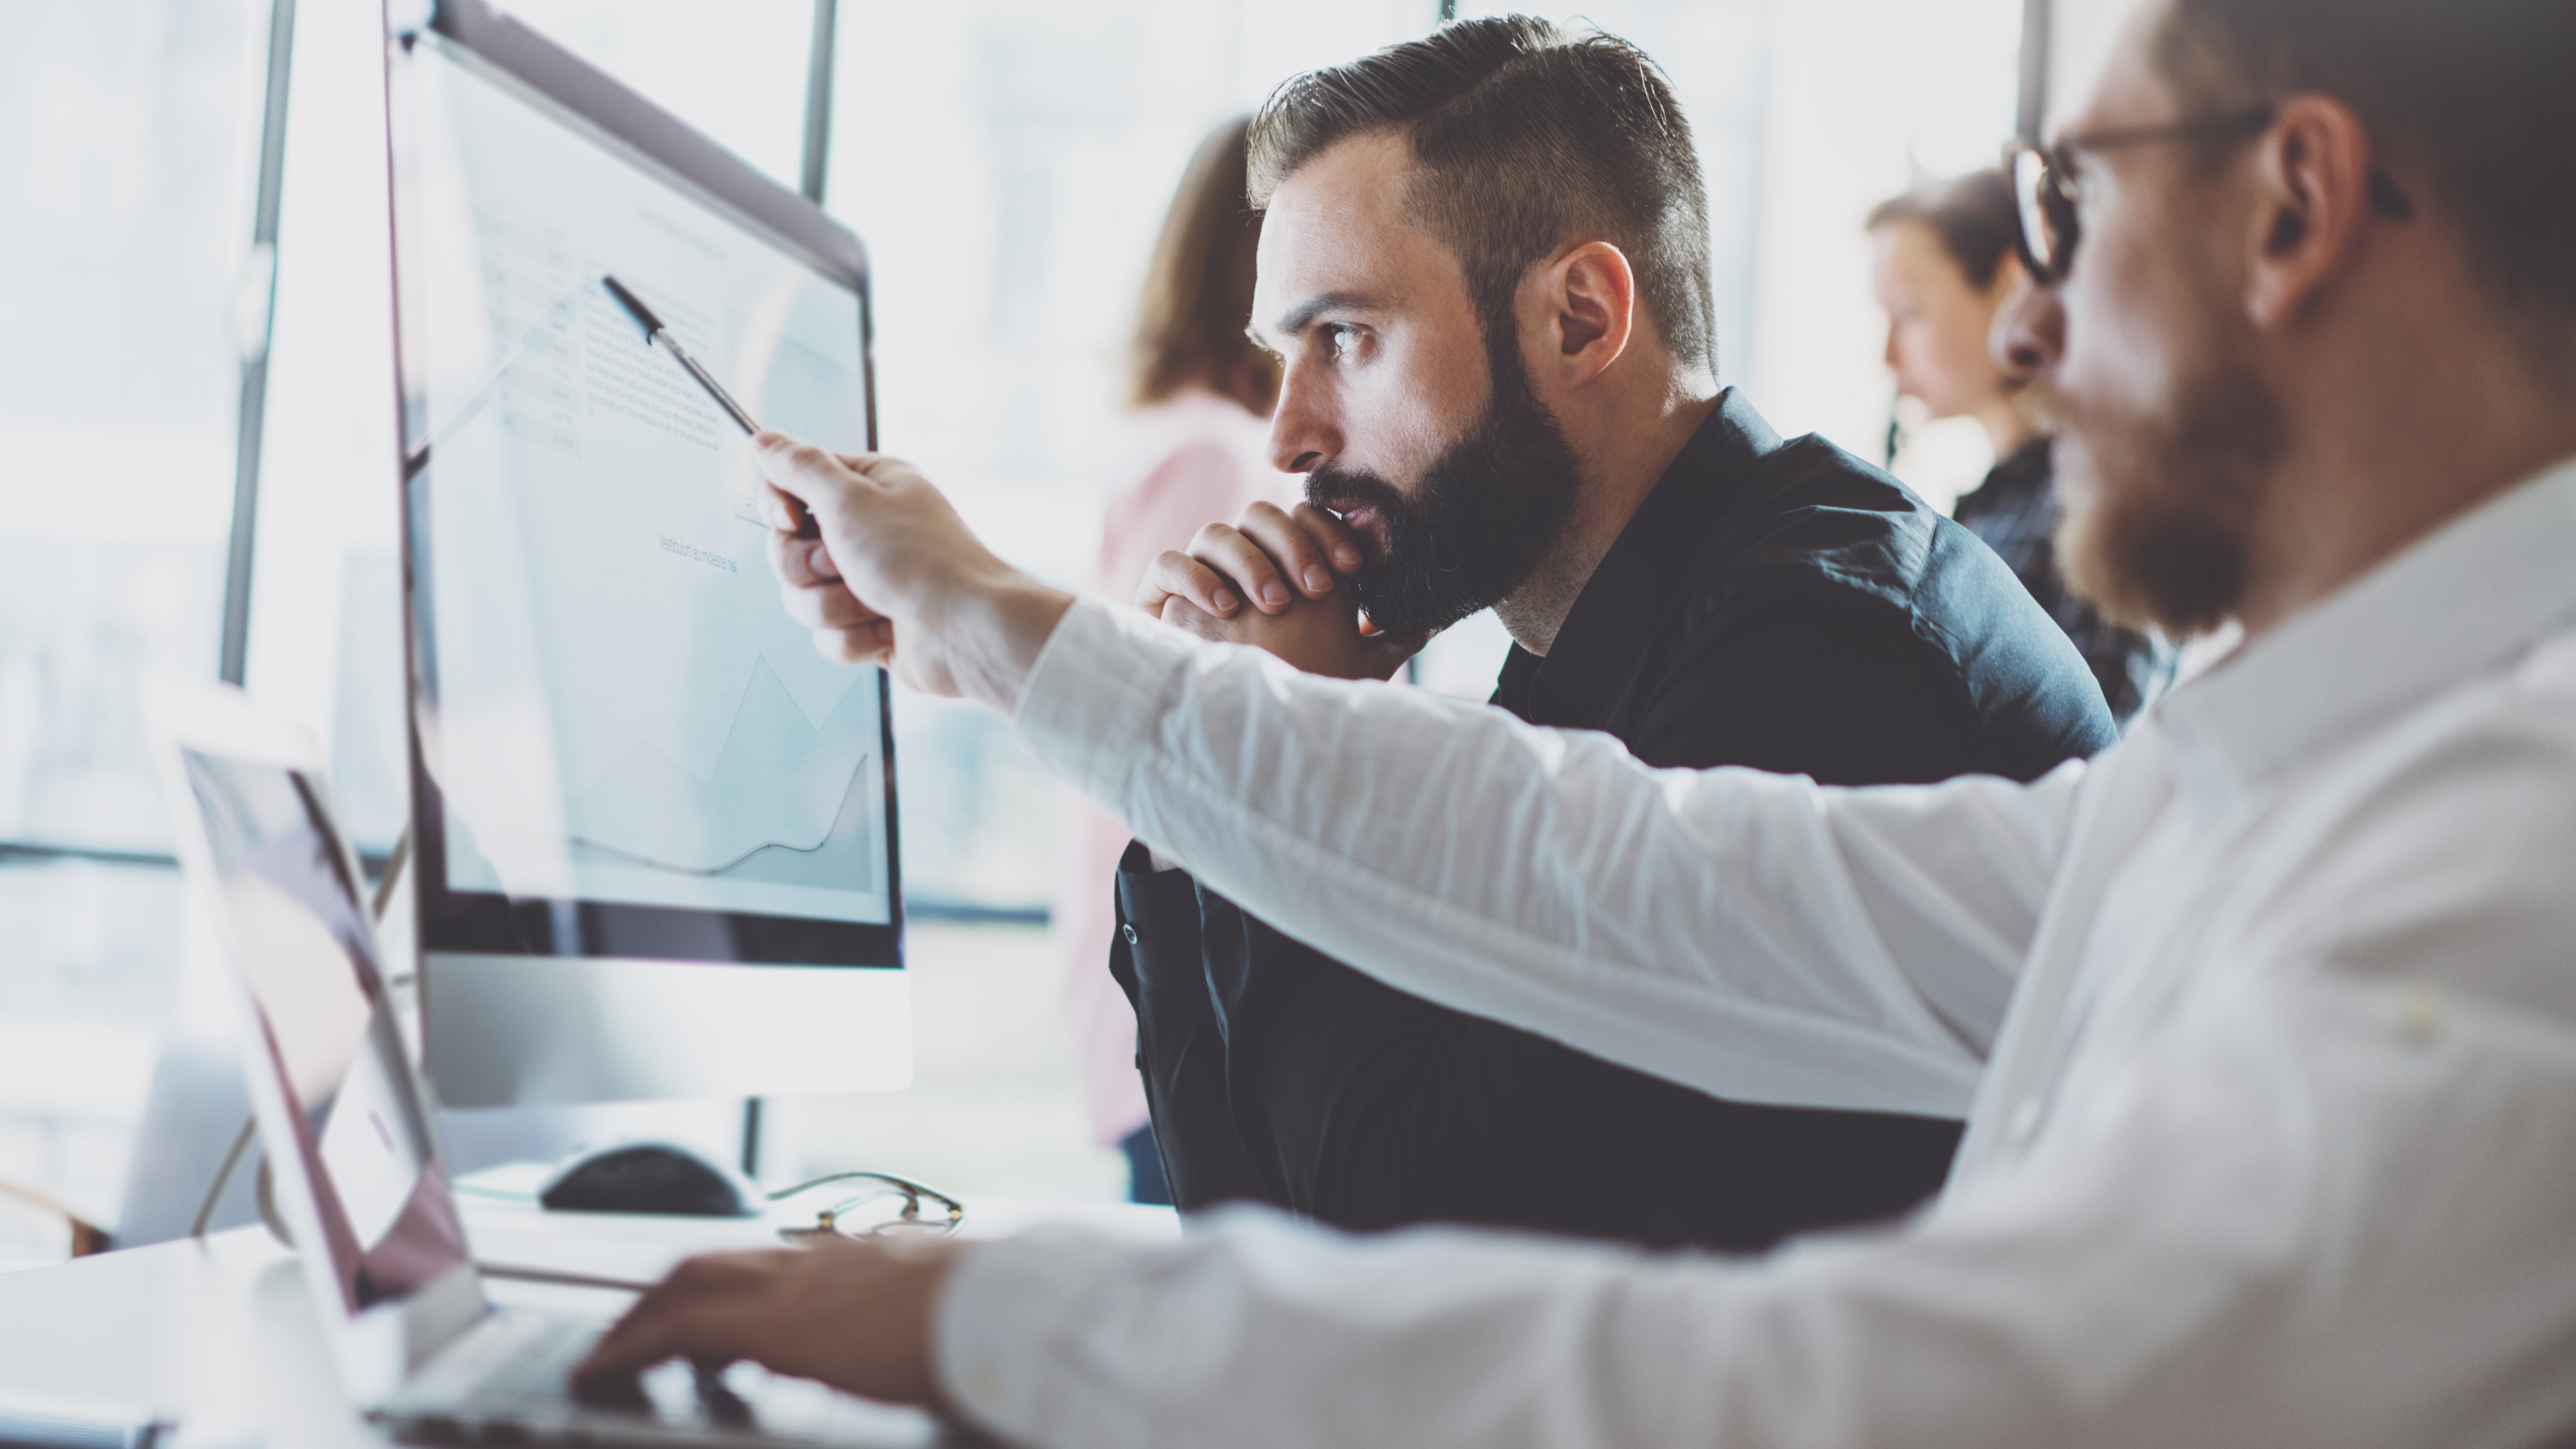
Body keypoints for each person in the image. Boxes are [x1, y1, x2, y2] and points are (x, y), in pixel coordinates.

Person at [582, 0, 2576, 1441]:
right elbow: (1624, 878)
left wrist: (1011, 1322)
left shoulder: (2497, 875)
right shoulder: (2254, 780)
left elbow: (1852, 1390)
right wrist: (1026, 642)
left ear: (2292, 204)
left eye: (2068, 207)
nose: (2023, 331)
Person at [1100, 29, 2112, 1252]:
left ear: (1580, 319)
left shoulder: (1821, 654)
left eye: (1347, 338)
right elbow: (1248, 1234)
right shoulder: (1590, 644)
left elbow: (1427, 1264)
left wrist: (1309, 751)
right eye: (1284, 356)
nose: (1291, 436)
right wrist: (1199, 791)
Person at [1052, 116, 1288, 1205]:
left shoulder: (1186, 439)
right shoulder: (1216, 456)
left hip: (1163, 985)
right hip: (1190, 992)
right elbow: (1165, 728)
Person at [1870, 168, 2177, 722]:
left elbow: (2089, 755)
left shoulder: (2089, 512)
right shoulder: (1991, 508)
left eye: (1908, 312)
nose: (1887, 355)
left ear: (2011, 283)